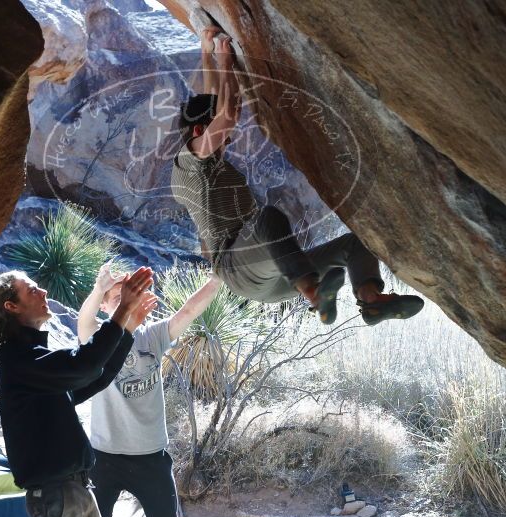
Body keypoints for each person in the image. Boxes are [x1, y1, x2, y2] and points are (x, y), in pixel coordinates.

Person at [171, 27, 424, 326]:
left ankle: (370, 299)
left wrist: (206, 51)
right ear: (200, 133)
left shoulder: (203, 159)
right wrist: (225, 58)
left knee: (355, 245)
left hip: (273, 274)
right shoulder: (189, 159)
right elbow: (226, 114)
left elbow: (212, 103)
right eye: (220, 137)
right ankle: (314, 294)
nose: (227, 141)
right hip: (239, 267)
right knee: (266, 220)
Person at [0, 267, 157, 517]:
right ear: (12, 306)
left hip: (76, 491)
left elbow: (96, 377)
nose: (43, 291)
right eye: (32, 289)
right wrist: (120, 313)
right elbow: (84, 364)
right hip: (56, 497)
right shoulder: (16, 358)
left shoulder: (32, 358)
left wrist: (127, 328)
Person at [76, 262, 222, 517]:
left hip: (150, 457)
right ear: (105, 308)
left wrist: (217, 279)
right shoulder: (97, 338)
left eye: (130, 297)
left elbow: (188, 311)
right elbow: (83, 320)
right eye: (117, 299)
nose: (125, 304)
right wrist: (99, 289)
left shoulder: (153, 336)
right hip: (103, 456)